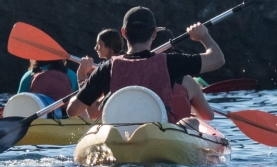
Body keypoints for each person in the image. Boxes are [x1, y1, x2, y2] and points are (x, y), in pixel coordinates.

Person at [66, 7, 224, 122]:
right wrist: (203, 36)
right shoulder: (171, 62)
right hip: (160, 134)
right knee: (192, 122)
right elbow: (217, 59)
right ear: (154, 33)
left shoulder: (106, 68)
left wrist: (82, 80)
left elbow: (73, 111)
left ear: (123, 33)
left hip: (119, 137)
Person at [154, 27, 215, 123]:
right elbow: (208, 116)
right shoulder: (188, 81)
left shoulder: (137, 75)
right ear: (172, 49)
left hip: (144, 131)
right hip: (176, 134)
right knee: (194, 122)